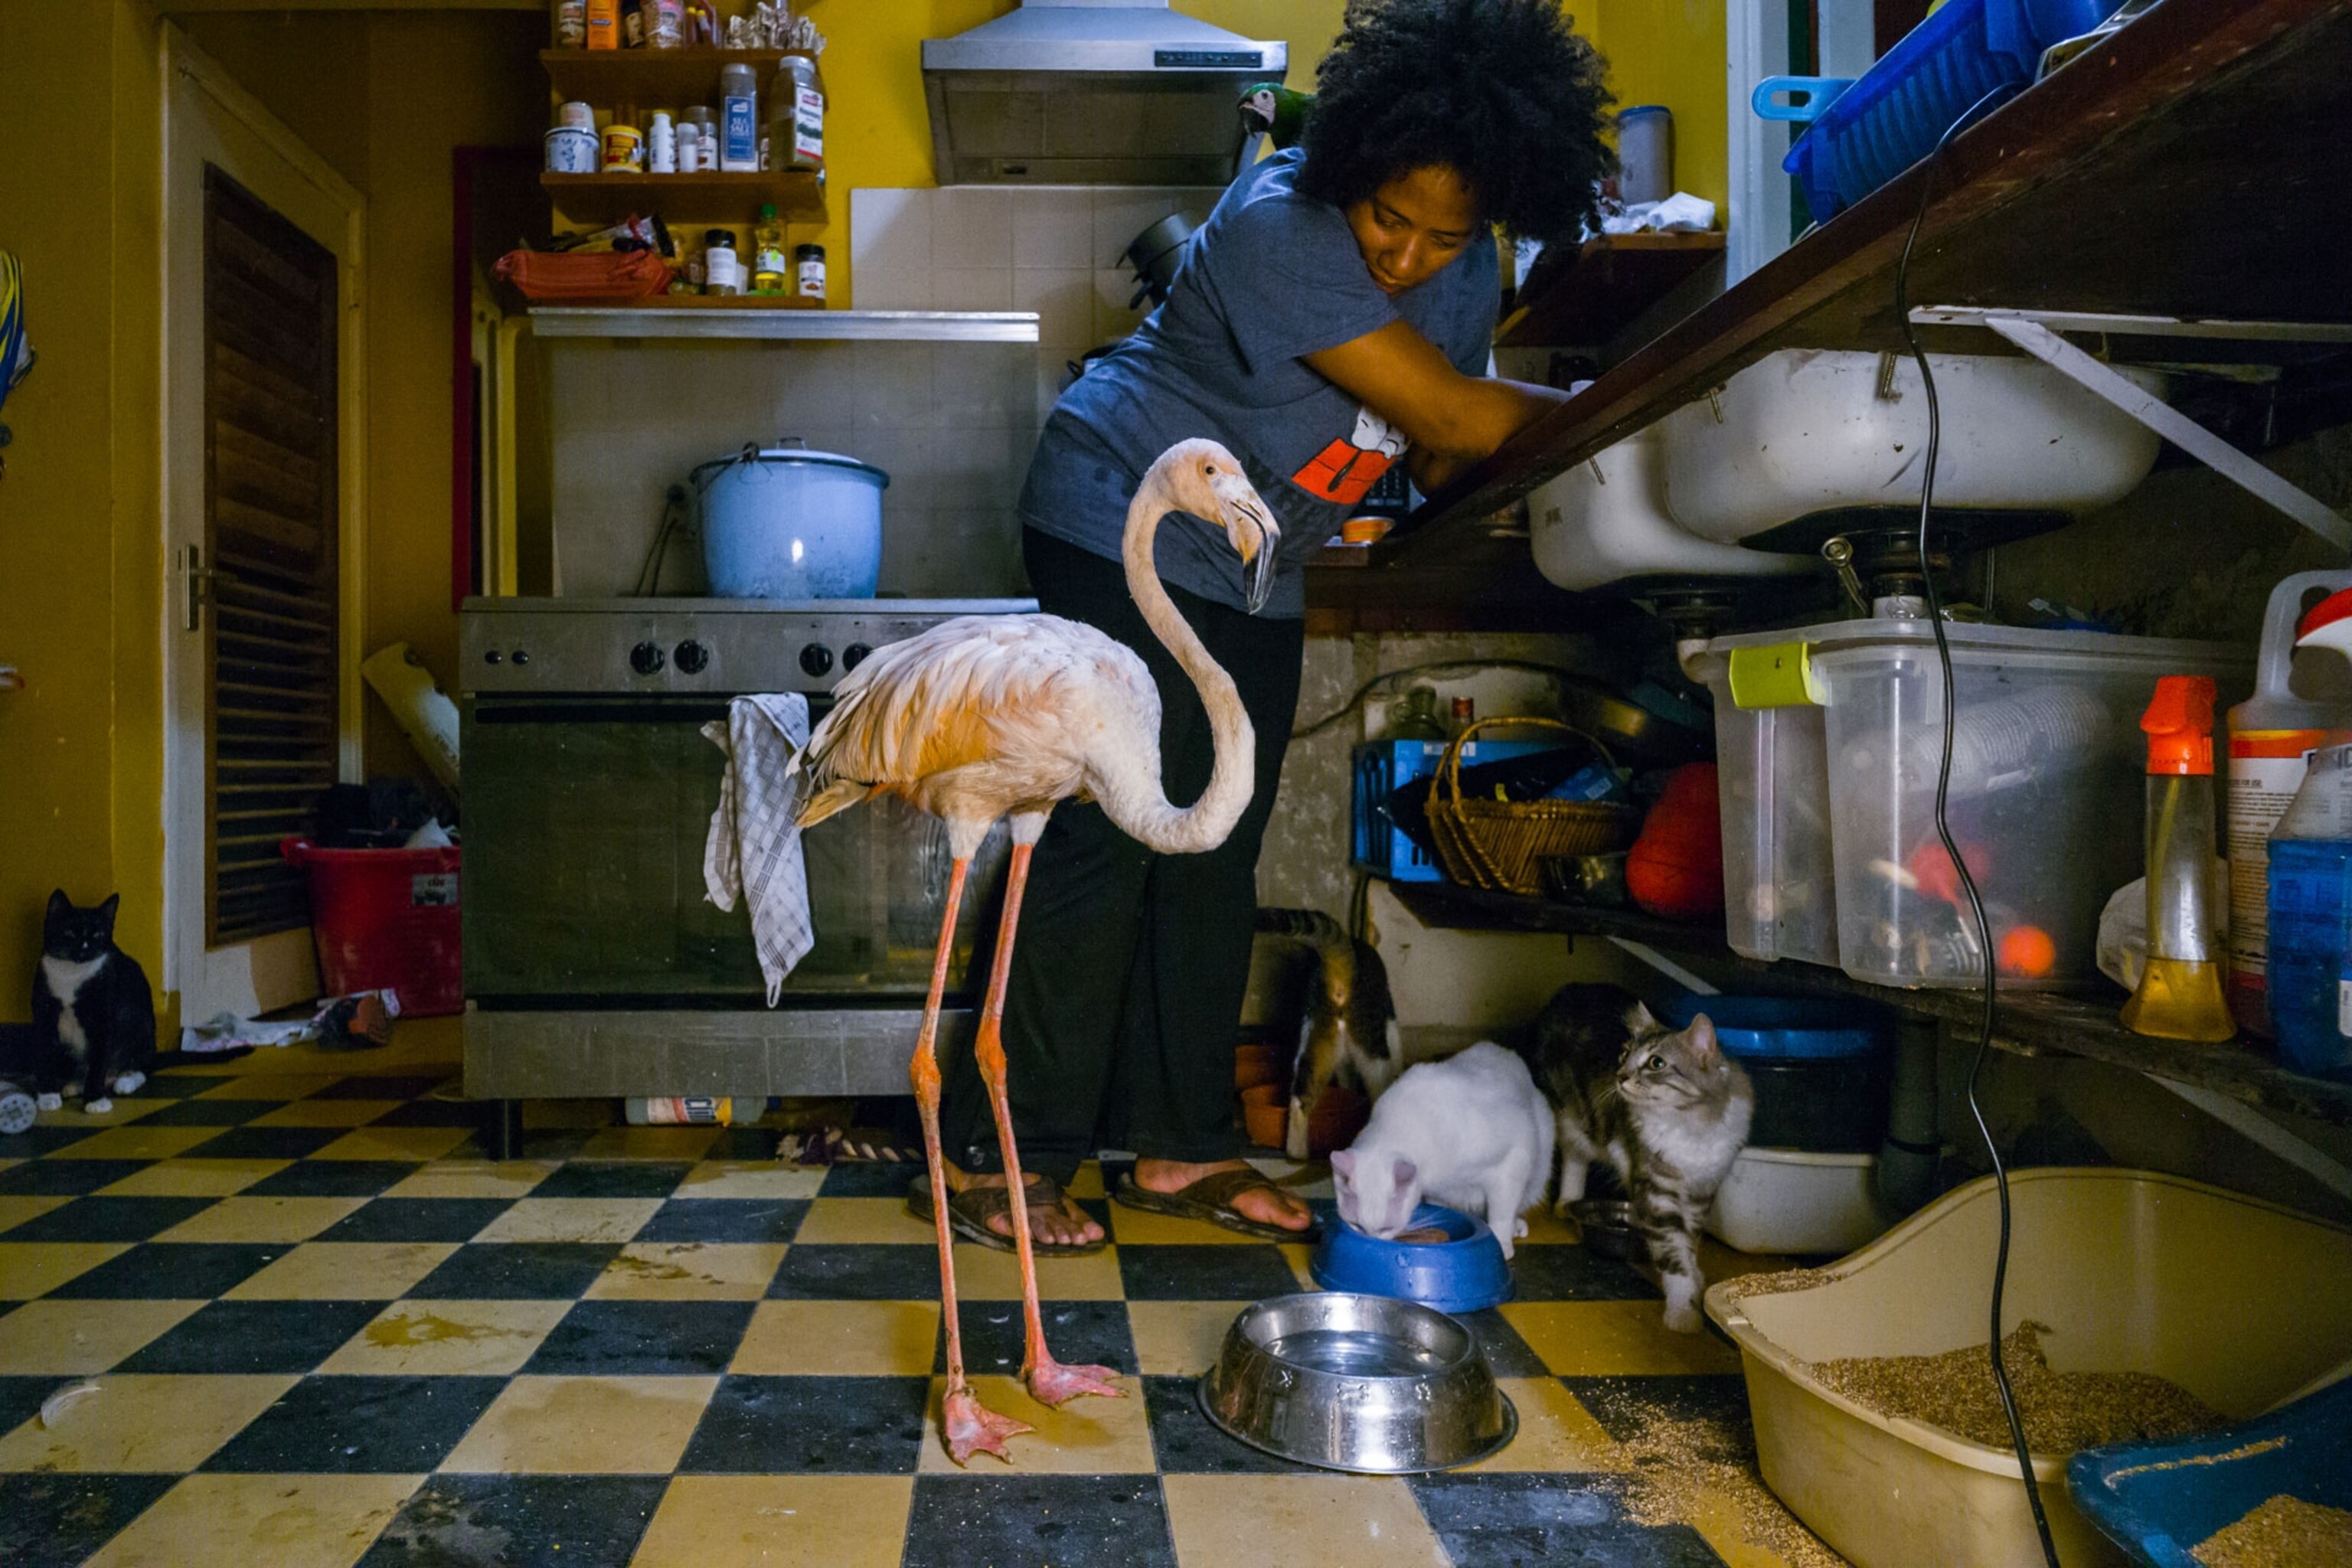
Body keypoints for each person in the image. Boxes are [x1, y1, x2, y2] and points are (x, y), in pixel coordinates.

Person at [929, 0, 1616, 1250]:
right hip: (1121, 514)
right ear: (1351, 168)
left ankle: (1181, 1147)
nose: (1407, 258)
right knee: (1108, 832)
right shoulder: (1278, 222)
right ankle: (1000, 1154)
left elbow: (1434, 438)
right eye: (1388, 220)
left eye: (1442, 236)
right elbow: (1456, 417)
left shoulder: (1466, 268)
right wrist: (1611, 403)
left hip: (1251, 563)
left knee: (1214, 848)